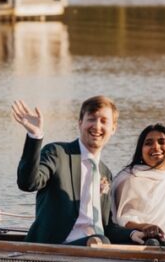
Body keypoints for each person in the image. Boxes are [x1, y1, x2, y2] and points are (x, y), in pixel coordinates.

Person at [12, 96, 139, 246]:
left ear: (113, 129)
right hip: (55, 247)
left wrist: (133, 233)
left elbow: (106, 227)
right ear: (80, 123)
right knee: (101, 241)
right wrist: (35, 136)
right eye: (91, 119)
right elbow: (28, 183)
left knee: (149, 243)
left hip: (97, 245)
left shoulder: (105, 173)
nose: (97, 126)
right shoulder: (58, 153)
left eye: (104, 121)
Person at [109, 124, 165, 245]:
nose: (155, 147)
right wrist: (145, 227)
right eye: (148, 143)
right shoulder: (129, 178)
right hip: (141, 242)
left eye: (162, 142)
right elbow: (121, 220)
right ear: (140, 152)